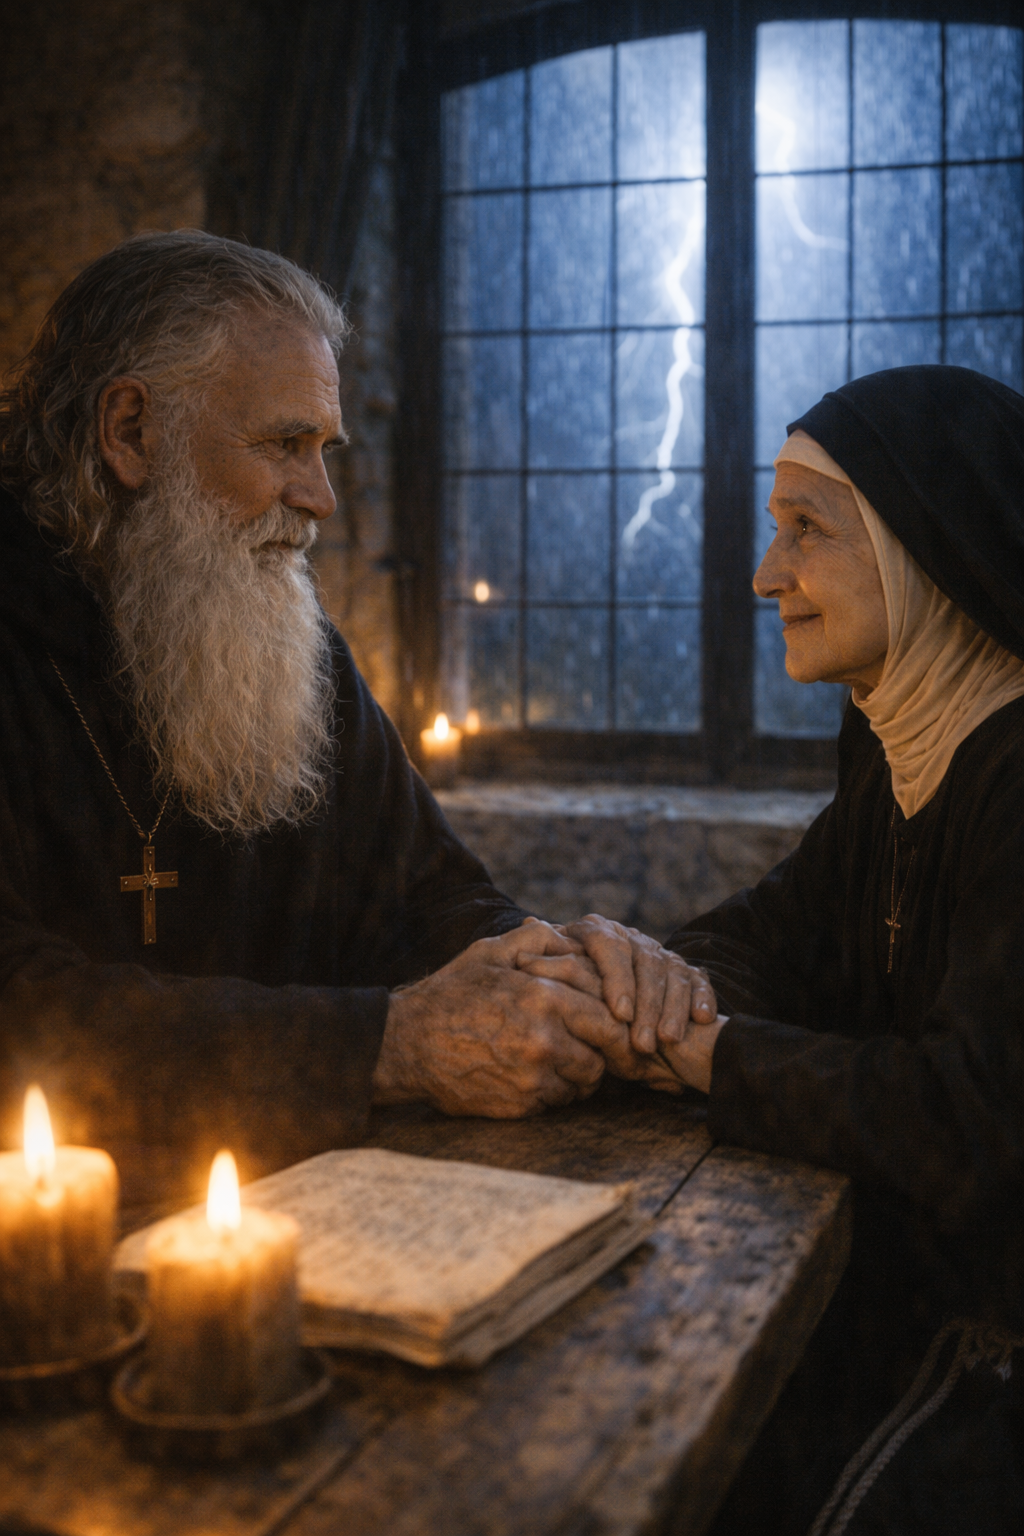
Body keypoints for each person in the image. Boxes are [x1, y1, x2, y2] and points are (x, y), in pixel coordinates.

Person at [0, 231, 711, 1186]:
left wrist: (553, 971)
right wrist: (386, 1045)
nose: (322, 498)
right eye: (285, 445)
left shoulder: (291, 650)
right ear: (130, 433)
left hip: (298, 1210)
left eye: (325, 449)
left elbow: (424, 893)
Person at [564, 366, 1023, 1535]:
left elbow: (970, 1123)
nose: (767, 574)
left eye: (806, 530)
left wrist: (706, 1058)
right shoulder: (894, 747)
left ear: (929, 549)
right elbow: (778, 930)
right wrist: (648, 978)